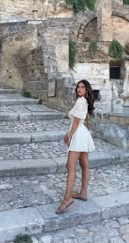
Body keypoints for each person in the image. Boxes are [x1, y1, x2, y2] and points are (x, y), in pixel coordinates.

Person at [55, 79, 95, 214]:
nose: (79, 89)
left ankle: (67, 198)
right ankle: (83, 192)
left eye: (82, 87)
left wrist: (70, 135)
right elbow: (78, 120)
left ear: (87, 90)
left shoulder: (80, 101)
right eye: (78, 87)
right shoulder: (84, 101)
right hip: (82, 133)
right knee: (84, 164)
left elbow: (77, 120)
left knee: (70, 166)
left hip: (78, 134)